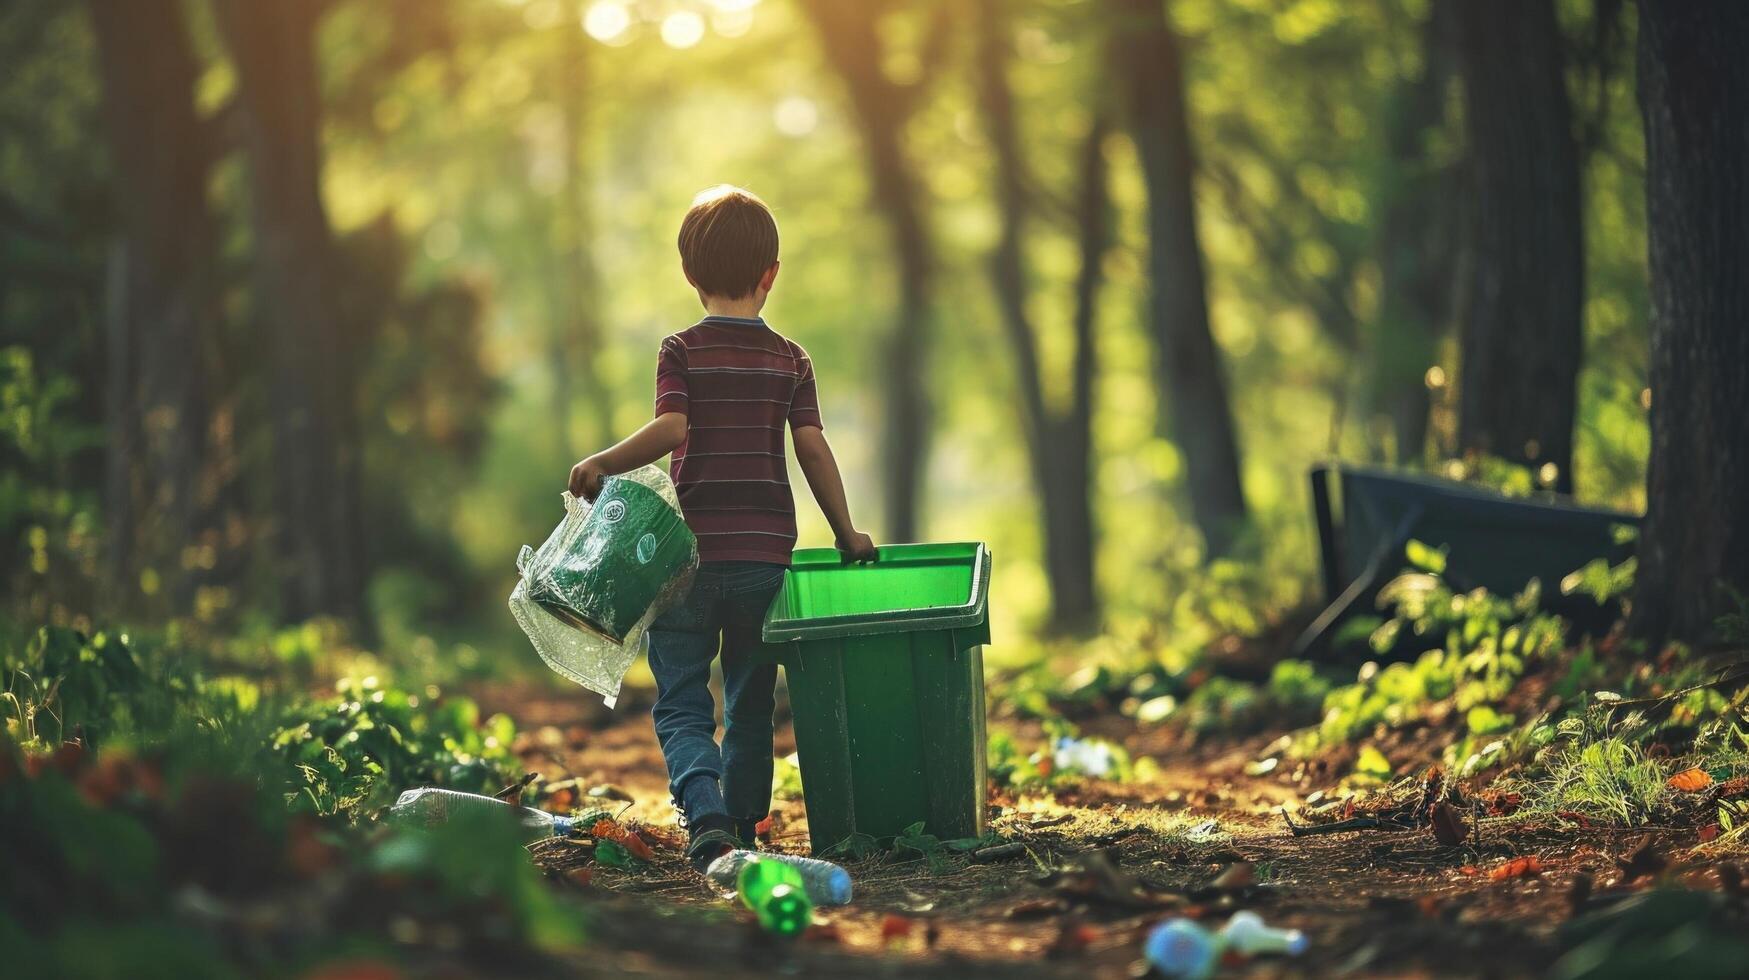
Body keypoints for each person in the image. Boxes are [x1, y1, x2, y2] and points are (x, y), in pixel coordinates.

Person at [567, 185, 877, 871]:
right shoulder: (791, 359)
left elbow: (672, 427)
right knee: (749, 699)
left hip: (687, 562)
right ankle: (740, 824)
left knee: (680, 697)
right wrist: (846, 532)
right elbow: (813, 449)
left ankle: (703, 813)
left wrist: (601, 462)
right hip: (764, 560)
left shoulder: (679, 350)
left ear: (689, 274)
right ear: (770, 275)